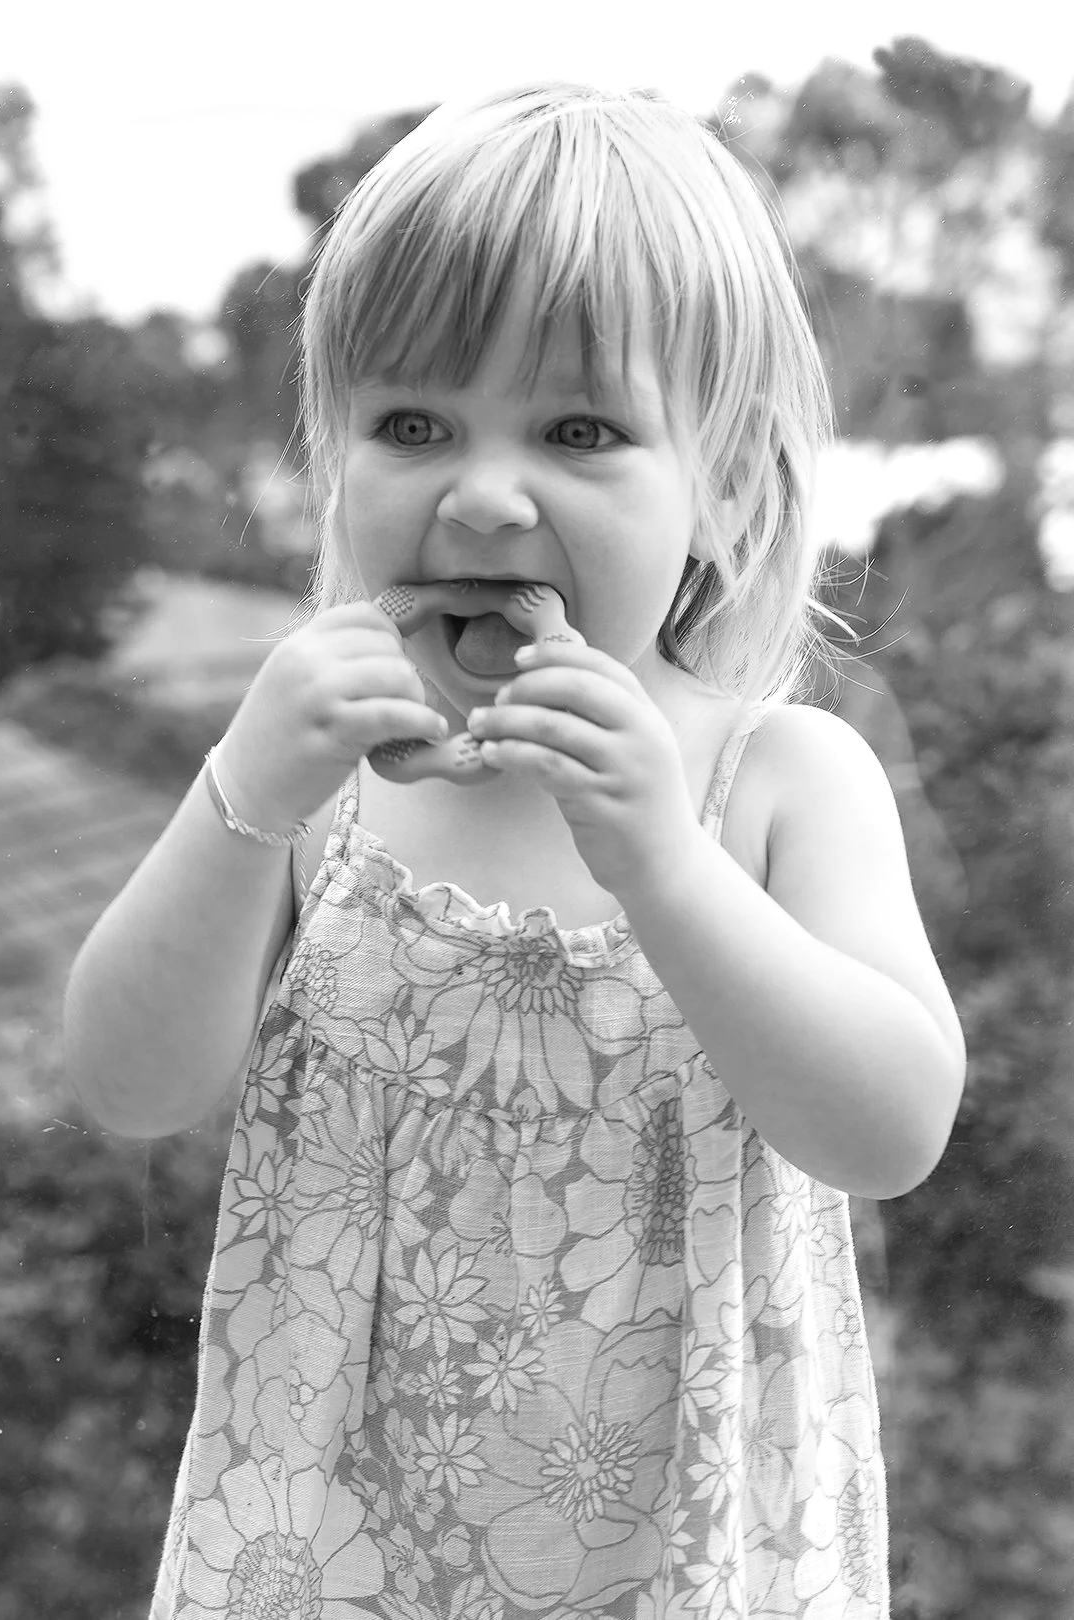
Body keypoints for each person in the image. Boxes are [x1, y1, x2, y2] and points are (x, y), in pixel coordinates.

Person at [64, 82, 966, 1620]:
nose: (482, 493)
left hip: (681, 1552)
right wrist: (242, 796)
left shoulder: (773, 781)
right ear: (333, 461)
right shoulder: (324, 787)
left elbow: (888, 1129)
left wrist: (665, 869)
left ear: (725, 489)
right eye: (413, 424)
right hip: (328, 1546)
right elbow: (130, 1082)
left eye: (580, 430)